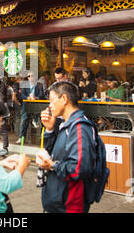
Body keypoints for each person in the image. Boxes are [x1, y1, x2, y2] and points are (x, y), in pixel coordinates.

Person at [37, 81, 97, 213]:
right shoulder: (65, 124)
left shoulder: (80, 127)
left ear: (64, 99)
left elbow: (79, 168)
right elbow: (52, 153)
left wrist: (52, 166)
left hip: (69, 203)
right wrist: (49, 129)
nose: (50, 106)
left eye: (52, 100)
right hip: (57, 200)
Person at [17, 72, 45, 144]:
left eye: (32, 76)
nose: (30, 77)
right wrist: (27, 97)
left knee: (43, 119)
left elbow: (41, 94)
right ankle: (21, 137)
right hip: (27, 104)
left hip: (37, 105)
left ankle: (43, 136)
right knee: (24, 120)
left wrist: (36, 98)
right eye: (29, 76)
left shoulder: (39, 85)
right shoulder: (25, 85)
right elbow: (22, 95)